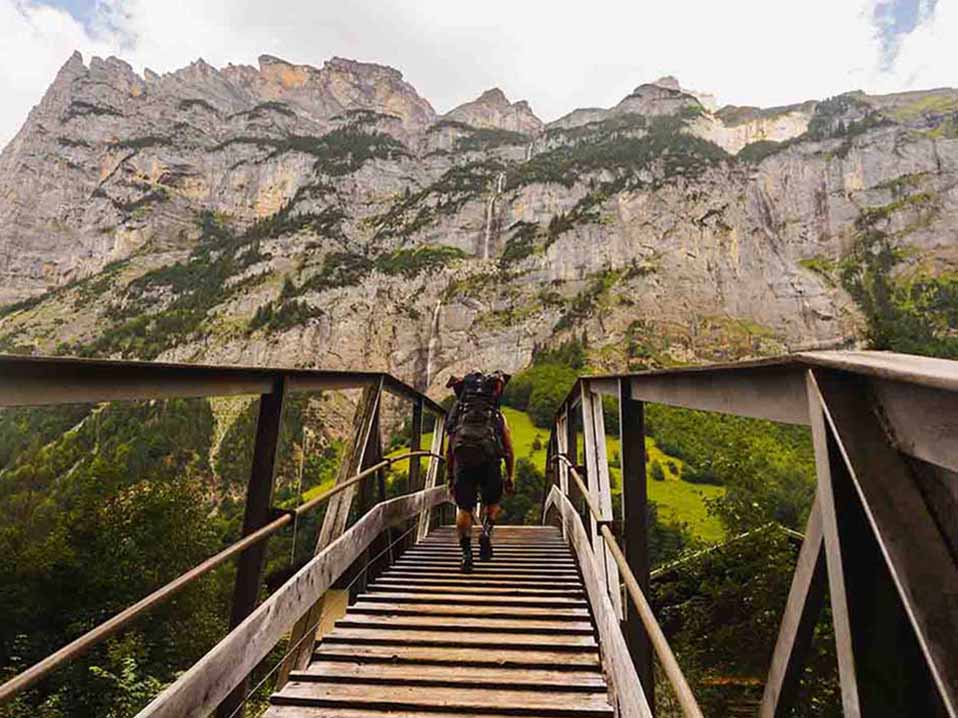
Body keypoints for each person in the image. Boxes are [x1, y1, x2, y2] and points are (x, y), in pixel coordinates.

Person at [445, 371, 515, 573]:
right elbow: (509, 450)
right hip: (490, 464)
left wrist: (450, 476)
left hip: (464, 465)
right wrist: (510, 476)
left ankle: (466, 555)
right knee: (492, 503)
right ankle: (485, 531)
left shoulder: (459, 417)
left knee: (464, 509)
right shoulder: (497, 416)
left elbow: (449, 451)